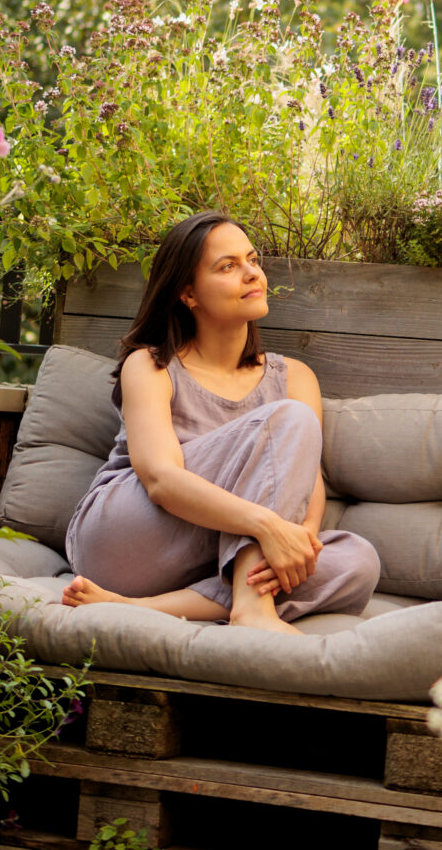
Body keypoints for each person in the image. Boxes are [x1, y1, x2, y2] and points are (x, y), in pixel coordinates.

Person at [60, 211, 381, 635]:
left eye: (252, 260)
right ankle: (251, 607)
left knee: (357, 560)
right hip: (127, 538)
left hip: (210, 555)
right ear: (188, 293)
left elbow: (308, 487)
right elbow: (159, 478)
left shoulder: (295, 377)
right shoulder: (152, 365)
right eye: (228, 266)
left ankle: (142, 608)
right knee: (289, 420)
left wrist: (296, 541)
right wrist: (267, 526)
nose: (252, 274)